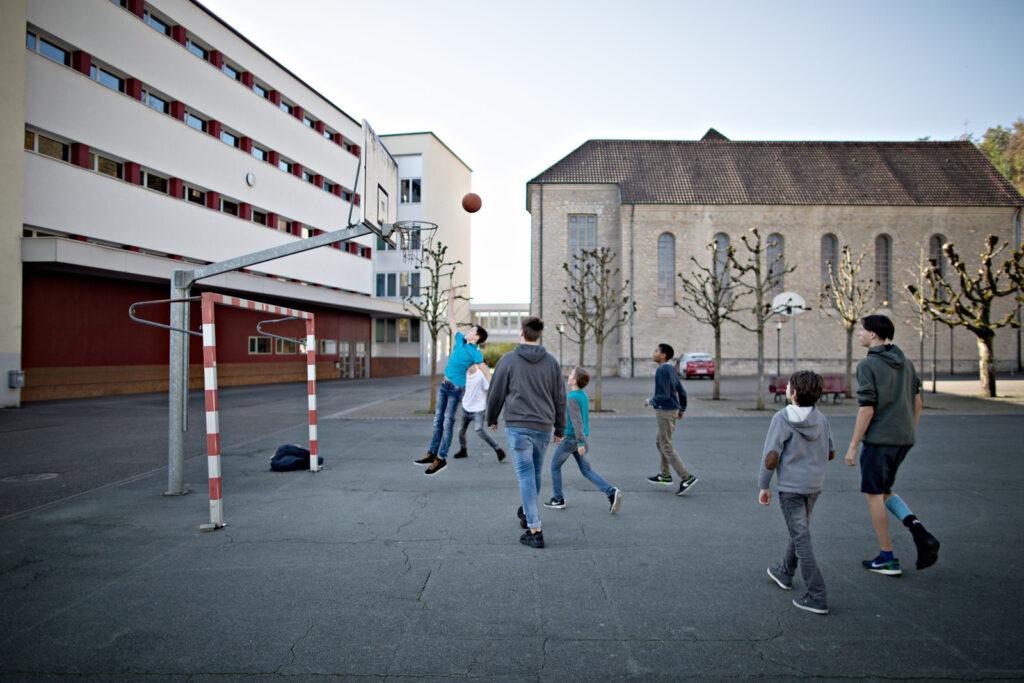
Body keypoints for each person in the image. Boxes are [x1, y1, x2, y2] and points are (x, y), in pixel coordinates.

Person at [844, 314, 940, 576]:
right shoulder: (906, 363)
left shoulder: (868, 365)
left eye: (862, 331)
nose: (860, 334)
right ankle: (918, 530)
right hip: (903, 439)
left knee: (874, 494)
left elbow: (867, 409)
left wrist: (853, 445)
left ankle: (887, 558)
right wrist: (906, 429)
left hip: (879, 441)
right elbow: (917, 403)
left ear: (873, 334)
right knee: (885, 489)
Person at [758, 370, 835, 615]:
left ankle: (817, 594)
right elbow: (830, 451)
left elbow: (771, 456)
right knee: (799, 529)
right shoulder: (821, 419)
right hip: (814, 485)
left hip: (791, 486)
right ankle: (785, 572)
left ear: (794, 393)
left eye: (789, 385)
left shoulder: (782, 418)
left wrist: (764, 485)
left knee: (801, 538)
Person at [486, 316, 566, 549]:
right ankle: (527, 512)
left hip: (518, 426)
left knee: (525, 475)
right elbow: (559, 397)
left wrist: (492, 417)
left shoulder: (508, 360)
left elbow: (496, 391)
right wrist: (560, 427)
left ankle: (534, 528)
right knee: (534, 474)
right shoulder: (551, 362)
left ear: (522, 332)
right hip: (542, 426)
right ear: (539, 334)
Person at [415, 307, 490, 476]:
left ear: (476, 337)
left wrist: (496, 386)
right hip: (444, 385)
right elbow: (451, 321)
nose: (468, 331)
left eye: (472, 330)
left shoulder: (475, 352)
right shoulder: (460, 340)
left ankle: (441, 458)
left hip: (456, 390)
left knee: (448, 421)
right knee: (438, 420)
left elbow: (485, 371)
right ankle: (432, 453)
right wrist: (450, 299)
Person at [544, 366, 622, 514]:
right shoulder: (582, 395)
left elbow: (577, 421)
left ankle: (558, 499)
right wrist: (582, 440)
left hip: (572, 440)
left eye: (571, 374)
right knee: (587, 470)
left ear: (574, 380)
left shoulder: (572, 397)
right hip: (582, 438)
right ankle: (611, 492)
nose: (569, 375)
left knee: (554, 466)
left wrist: (579, 442)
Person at [644, 343, 698, 495]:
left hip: (665, 411)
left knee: (666, 445)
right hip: (672, 410)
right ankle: (665, 474)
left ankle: (686, 477)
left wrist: (650, 401)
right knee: (659, 441)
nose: (653, 353)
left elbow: (664, 394)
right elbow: (681, 391)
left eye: (656, 351)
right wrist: (681, 409)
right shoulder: (671, 369)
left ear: (663, 355)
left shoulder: (662, 370)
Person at [453, 363, 506, 462]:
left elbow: (487, 392)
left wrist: (487, 409)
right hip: (466, 408)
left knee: (479, 431)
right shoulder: (463, 375)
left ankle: (498, 449)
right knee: (460, 431)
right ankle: (463, 450)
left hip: (478, 409)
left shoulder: (481, 375)